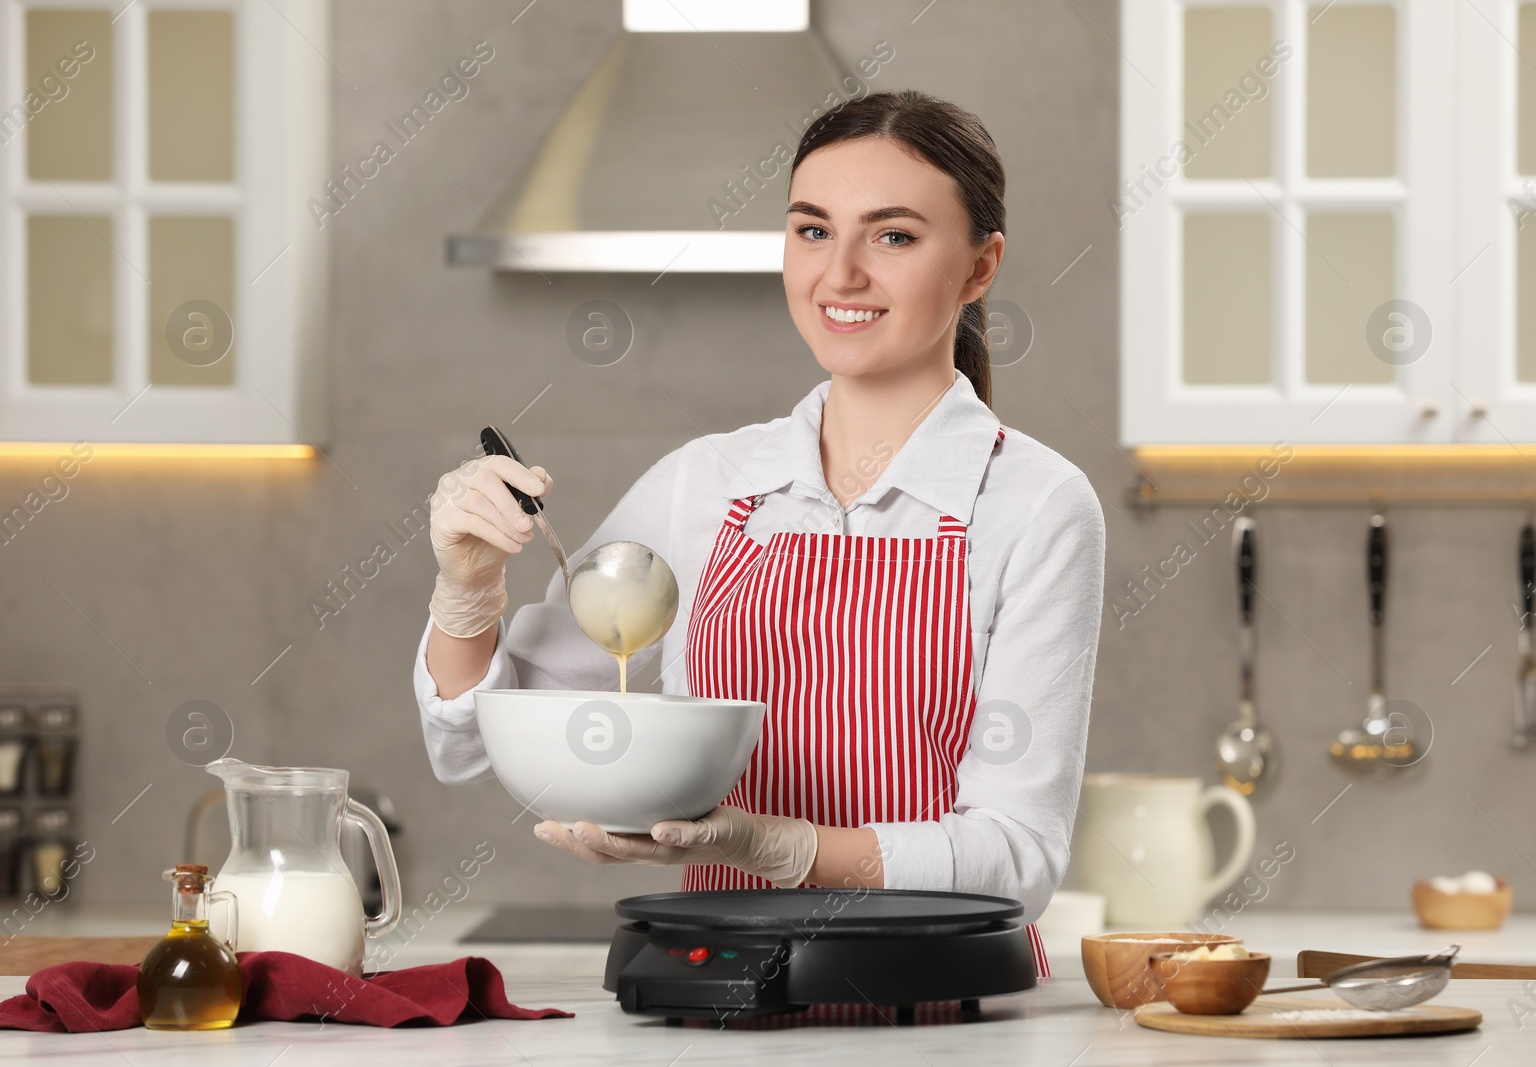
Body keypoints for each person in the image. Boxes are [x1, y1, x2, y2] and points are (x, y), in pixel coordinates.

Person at [414, 89, 1104, 979]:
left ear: (980, 268)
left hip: (934, 1007)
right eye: (813, 231)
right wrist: (468, 593)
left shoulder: (1038, 505)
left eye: (892, 236)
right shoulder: (704, 484)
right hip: (712, 991)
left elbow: (1018, 859)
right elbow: (474, 739)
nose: (841, 274)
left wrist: (776, 845)